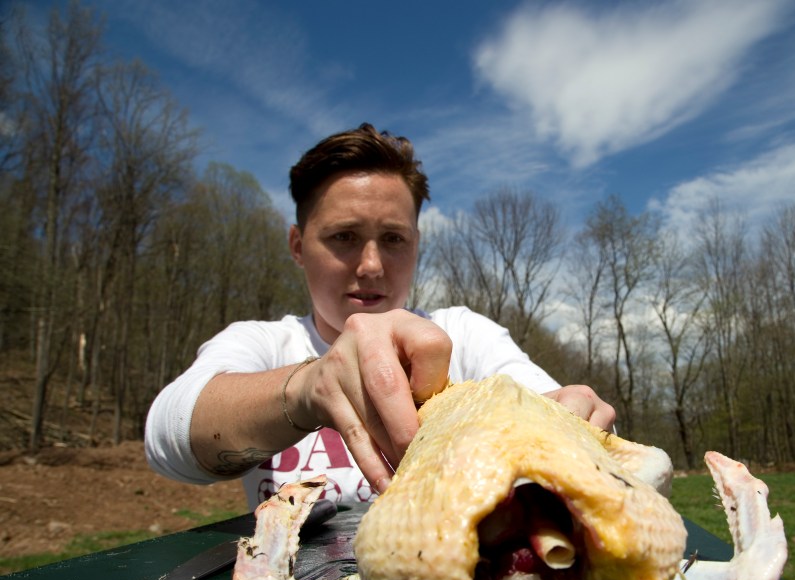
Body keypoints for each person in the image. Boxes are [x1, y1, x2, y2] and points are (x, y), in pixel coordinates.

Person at [145, 123, 615, 510]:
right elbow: (168, 441)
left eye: (393, 239)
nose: (371, 265)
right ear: (298, 246)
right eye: (344, 237)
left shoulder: (463, 334)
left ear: (416, 245)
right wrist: (309, 387)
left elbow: (558, 409)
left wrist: (577, 420)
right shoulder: (264, 343)